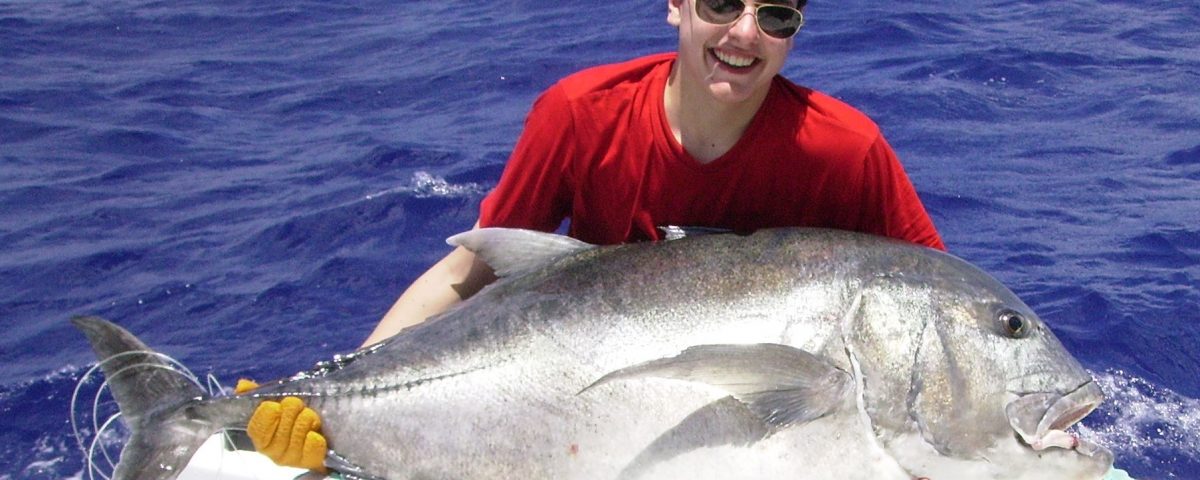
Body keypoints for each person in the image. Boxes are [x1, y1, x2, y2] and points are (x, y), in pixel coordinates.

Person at [241, 0, 945, 472]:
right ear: (676, 5)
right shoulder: (581, 115)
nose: (745, 34)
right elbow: (470, 271)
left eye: (778, 15)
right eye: (723, 4)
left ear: (795, 34)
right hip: (571, 418)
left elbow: (932, 301)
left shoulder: (843, 151)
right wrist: (323, 393)